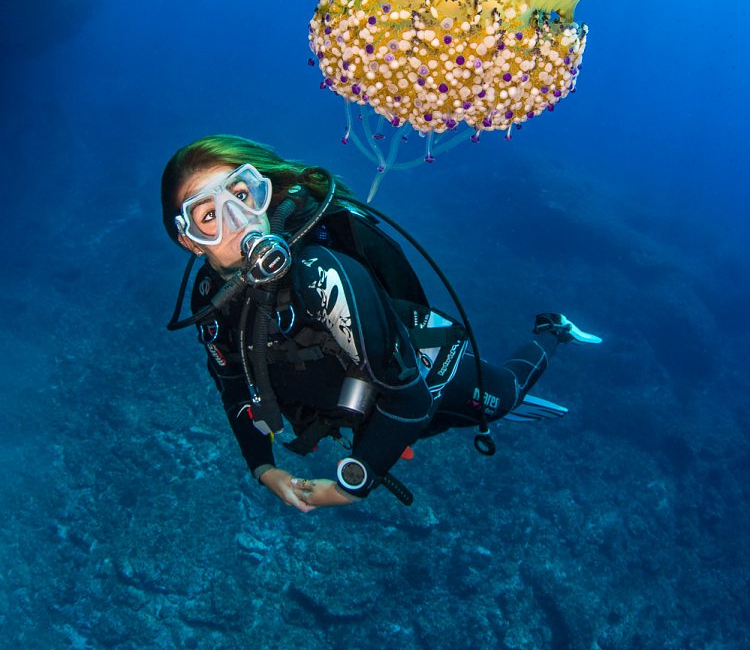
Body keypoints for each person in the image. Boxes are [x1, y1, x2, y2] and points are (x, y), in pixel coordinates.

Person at [161, 134, 601, 513]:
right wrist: (264, 468)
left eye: (240, 195)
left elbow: (408, 398)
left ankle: (552, 329)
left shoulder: (319, 272)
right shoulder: (211, 301)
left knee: (502, 396)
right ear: (189, 241)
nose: (238, 223)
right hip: (365, 415)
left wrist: (354, 484)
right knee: (436, 423)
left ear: (264, 190)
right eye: (209, 216)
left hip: (417, 380)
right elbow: (235, 388)